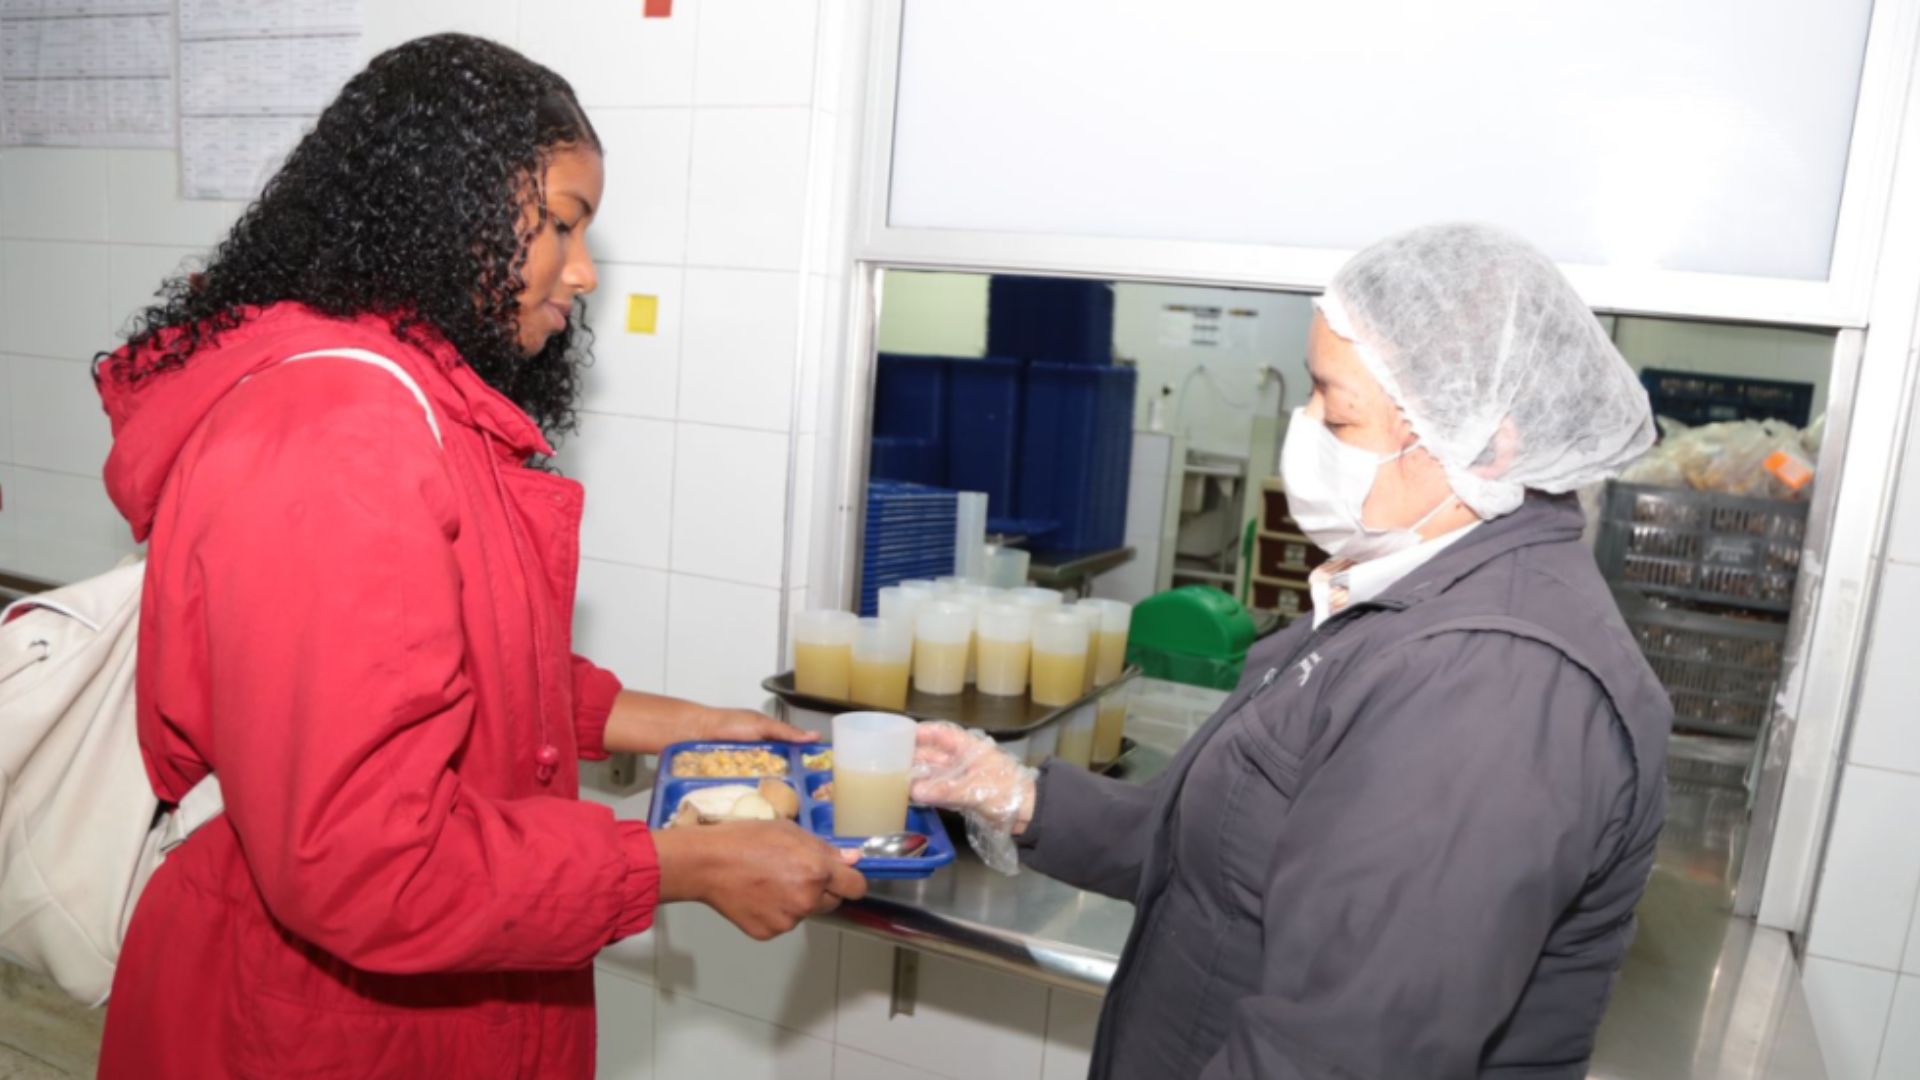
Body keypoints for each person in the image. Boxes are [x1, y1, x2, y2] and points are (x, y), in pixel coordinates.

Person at [92, 35, 864, 1079]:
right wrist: (678, 866)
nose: (583, 273)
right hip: (309, 1031)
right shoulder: (336, 435)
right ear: (446, 205)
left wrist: (683, 727)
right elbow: (365, 862)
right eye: (560, 225)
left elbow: (457, 665)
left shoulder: (417, 401)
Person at [914, 223, 1672, 1079]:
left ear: (1487, 442)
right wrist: (1016, 796)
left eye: (1336, 407)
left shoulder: (1494, 681)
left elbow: (1340, 1055)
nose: (1304, 428)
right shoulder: (1407, 590)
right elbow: (1229, 839)